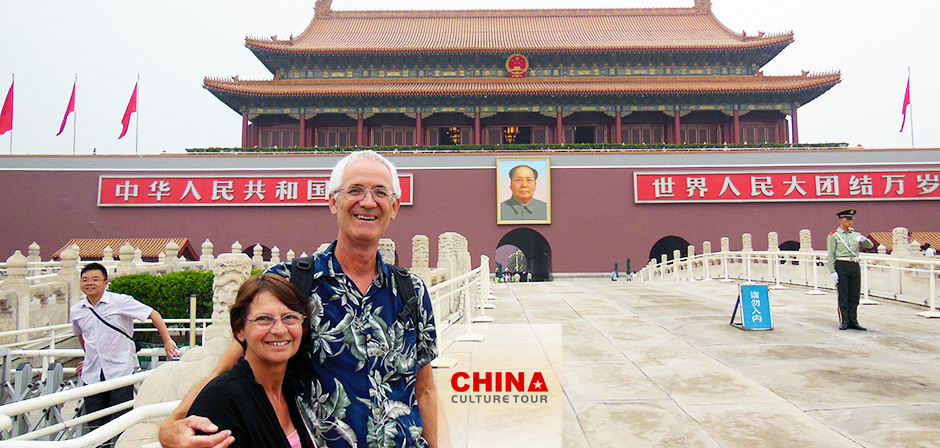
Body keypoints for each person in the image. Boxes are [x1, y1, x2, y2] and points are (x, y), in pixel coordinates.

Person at [160, 150, 450, 448]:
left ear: (394, 206)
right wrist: (171, 425)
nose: (367, 202)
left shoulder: (410, 290)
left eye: (380, 192)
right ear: (333, 202)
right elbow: (229, 367)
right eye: (355, 190)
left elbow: (424, 389)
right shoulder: (290, 284)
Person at [187, 274, 314, 448]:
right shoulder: (221, 399)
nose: (279, 329)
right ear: (240, 330)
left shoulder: (293, 390)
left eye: (289, 317)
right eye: (264, 319)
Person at [70, 262, 180, 439]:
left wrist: (167, 341)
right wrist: (89, 358)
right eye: (85, 280)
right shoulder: (77, 310)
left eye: (95, 279)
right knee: (95, 424)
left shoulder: (120, 302)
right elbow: (82, 335)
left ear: (106, 283)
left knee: (122, 421)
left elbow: (153, 314)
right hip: (92, 375)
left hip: (120, 370)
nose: (89, 283)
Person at [826, 209, 874, 331]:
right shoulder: (834, 235)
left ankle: (854, 320)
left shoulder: (856, 235)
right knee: (843, 294)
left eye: (851, 219)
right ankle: (844, 320)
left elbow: (870, 246)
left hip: (854, 264)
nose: (850, 222)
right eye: (847, 219)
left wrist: (865, 241)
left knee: (854, 294)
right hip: (842, 264)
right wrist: (832, 271)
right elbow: (831, 254)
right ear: (840, 219)